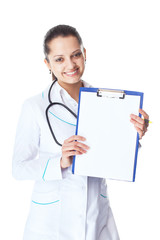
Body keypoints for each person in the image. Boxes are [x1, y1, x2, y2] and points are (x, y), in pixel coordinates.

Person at [12, 24, 149, 240]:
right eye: (59, 59)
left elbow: (113, 157)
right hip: (50, 223)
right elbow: (18, 168)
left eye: (75, 55)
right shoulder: (34, 107)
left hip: (96, 215)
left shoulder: (107, 102)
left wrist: (134, 136)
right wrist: (60, 162)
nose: (70, 64)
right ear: (47, 63)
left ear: (84, 54)